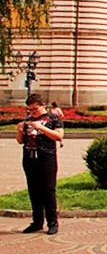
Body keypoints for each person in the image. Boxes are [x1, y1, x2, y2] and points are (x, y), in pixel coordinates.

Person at [15, 93, 64, 235]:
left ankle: (52, 222)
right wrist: (19, 131)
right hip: (29, 157)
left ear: (42, 105)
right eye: (29, 110)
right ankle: (37, 222)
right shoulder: (28, 119)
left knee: (48, 190)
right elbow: (21, 141)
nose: (32, 113)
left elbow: (59, 136)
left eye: (34, 109)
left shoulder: (52, 118)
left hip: (46, 157)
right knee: (34, 190)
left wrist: (41, 128)